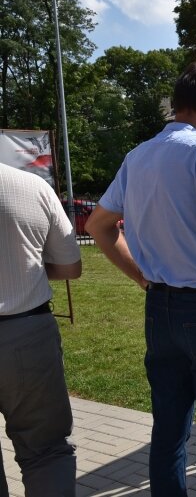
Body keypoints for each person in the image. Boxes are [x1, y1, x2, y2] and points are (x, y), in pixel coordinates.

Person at [86, 59, 196, 497]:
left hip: (159, 310)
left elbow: (98, 226)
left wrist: (142, 277)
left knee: (168, 434)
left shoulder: (137, 156)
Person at [0, 162, 82, 497]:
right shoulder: (31, 186)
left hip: (27, 327)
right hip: (27, 331)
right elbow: (70, 266)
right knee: (46, 451)